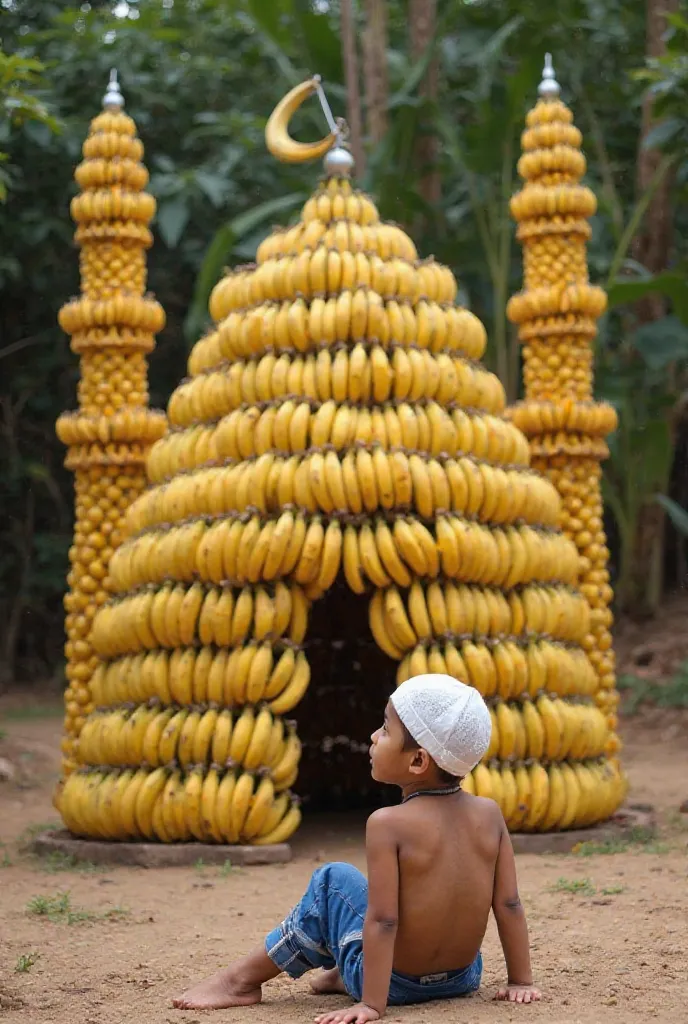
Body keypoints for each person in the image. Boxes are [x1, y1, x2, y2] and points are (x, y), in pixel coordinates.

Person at [173, 674, 542, 1019]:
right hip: (462, 978)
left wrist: (371, 1004)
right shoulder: (490, 815)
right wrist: (520, 981)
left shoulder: (387, 824)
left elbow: (384, 919)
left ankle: (241, 980)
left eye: (385, 728)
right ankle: (340, 975)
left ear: (418, 761)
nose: (373, 736)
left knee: (334, 881)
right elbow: (508, 903)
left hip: (392, 985)